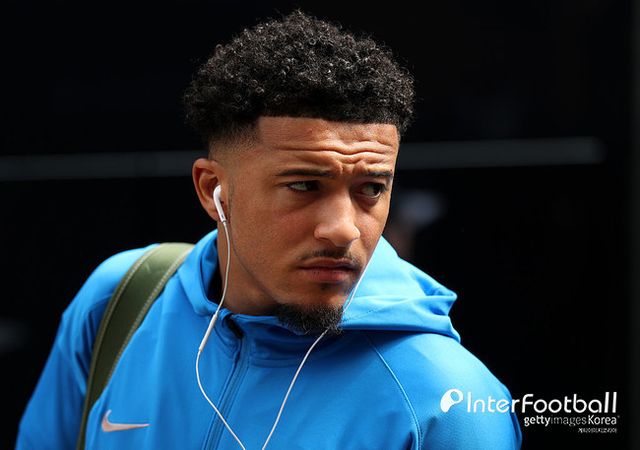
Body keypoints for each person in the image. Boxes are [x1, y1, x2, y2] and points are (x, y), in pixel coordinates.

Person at [17, 10, 522, 450]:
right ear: (213, 190)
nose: (343, 230)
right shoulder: (125, 299)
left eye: (370, 188)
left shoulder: (446, 401)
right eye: (304, 185)